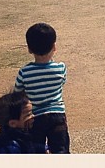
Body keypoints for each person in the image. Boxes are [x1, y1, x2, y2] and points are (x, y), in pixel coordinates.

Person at [14, 23, 70, 153]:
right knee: (60, 149)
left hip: (35, 117)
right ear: (54, 46)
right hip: (57, 115)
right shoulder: (61, 68)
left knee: (36, 149)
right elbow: (61, 84)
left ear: (29, 49)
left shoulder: (25, 72)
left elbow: (18, 93)